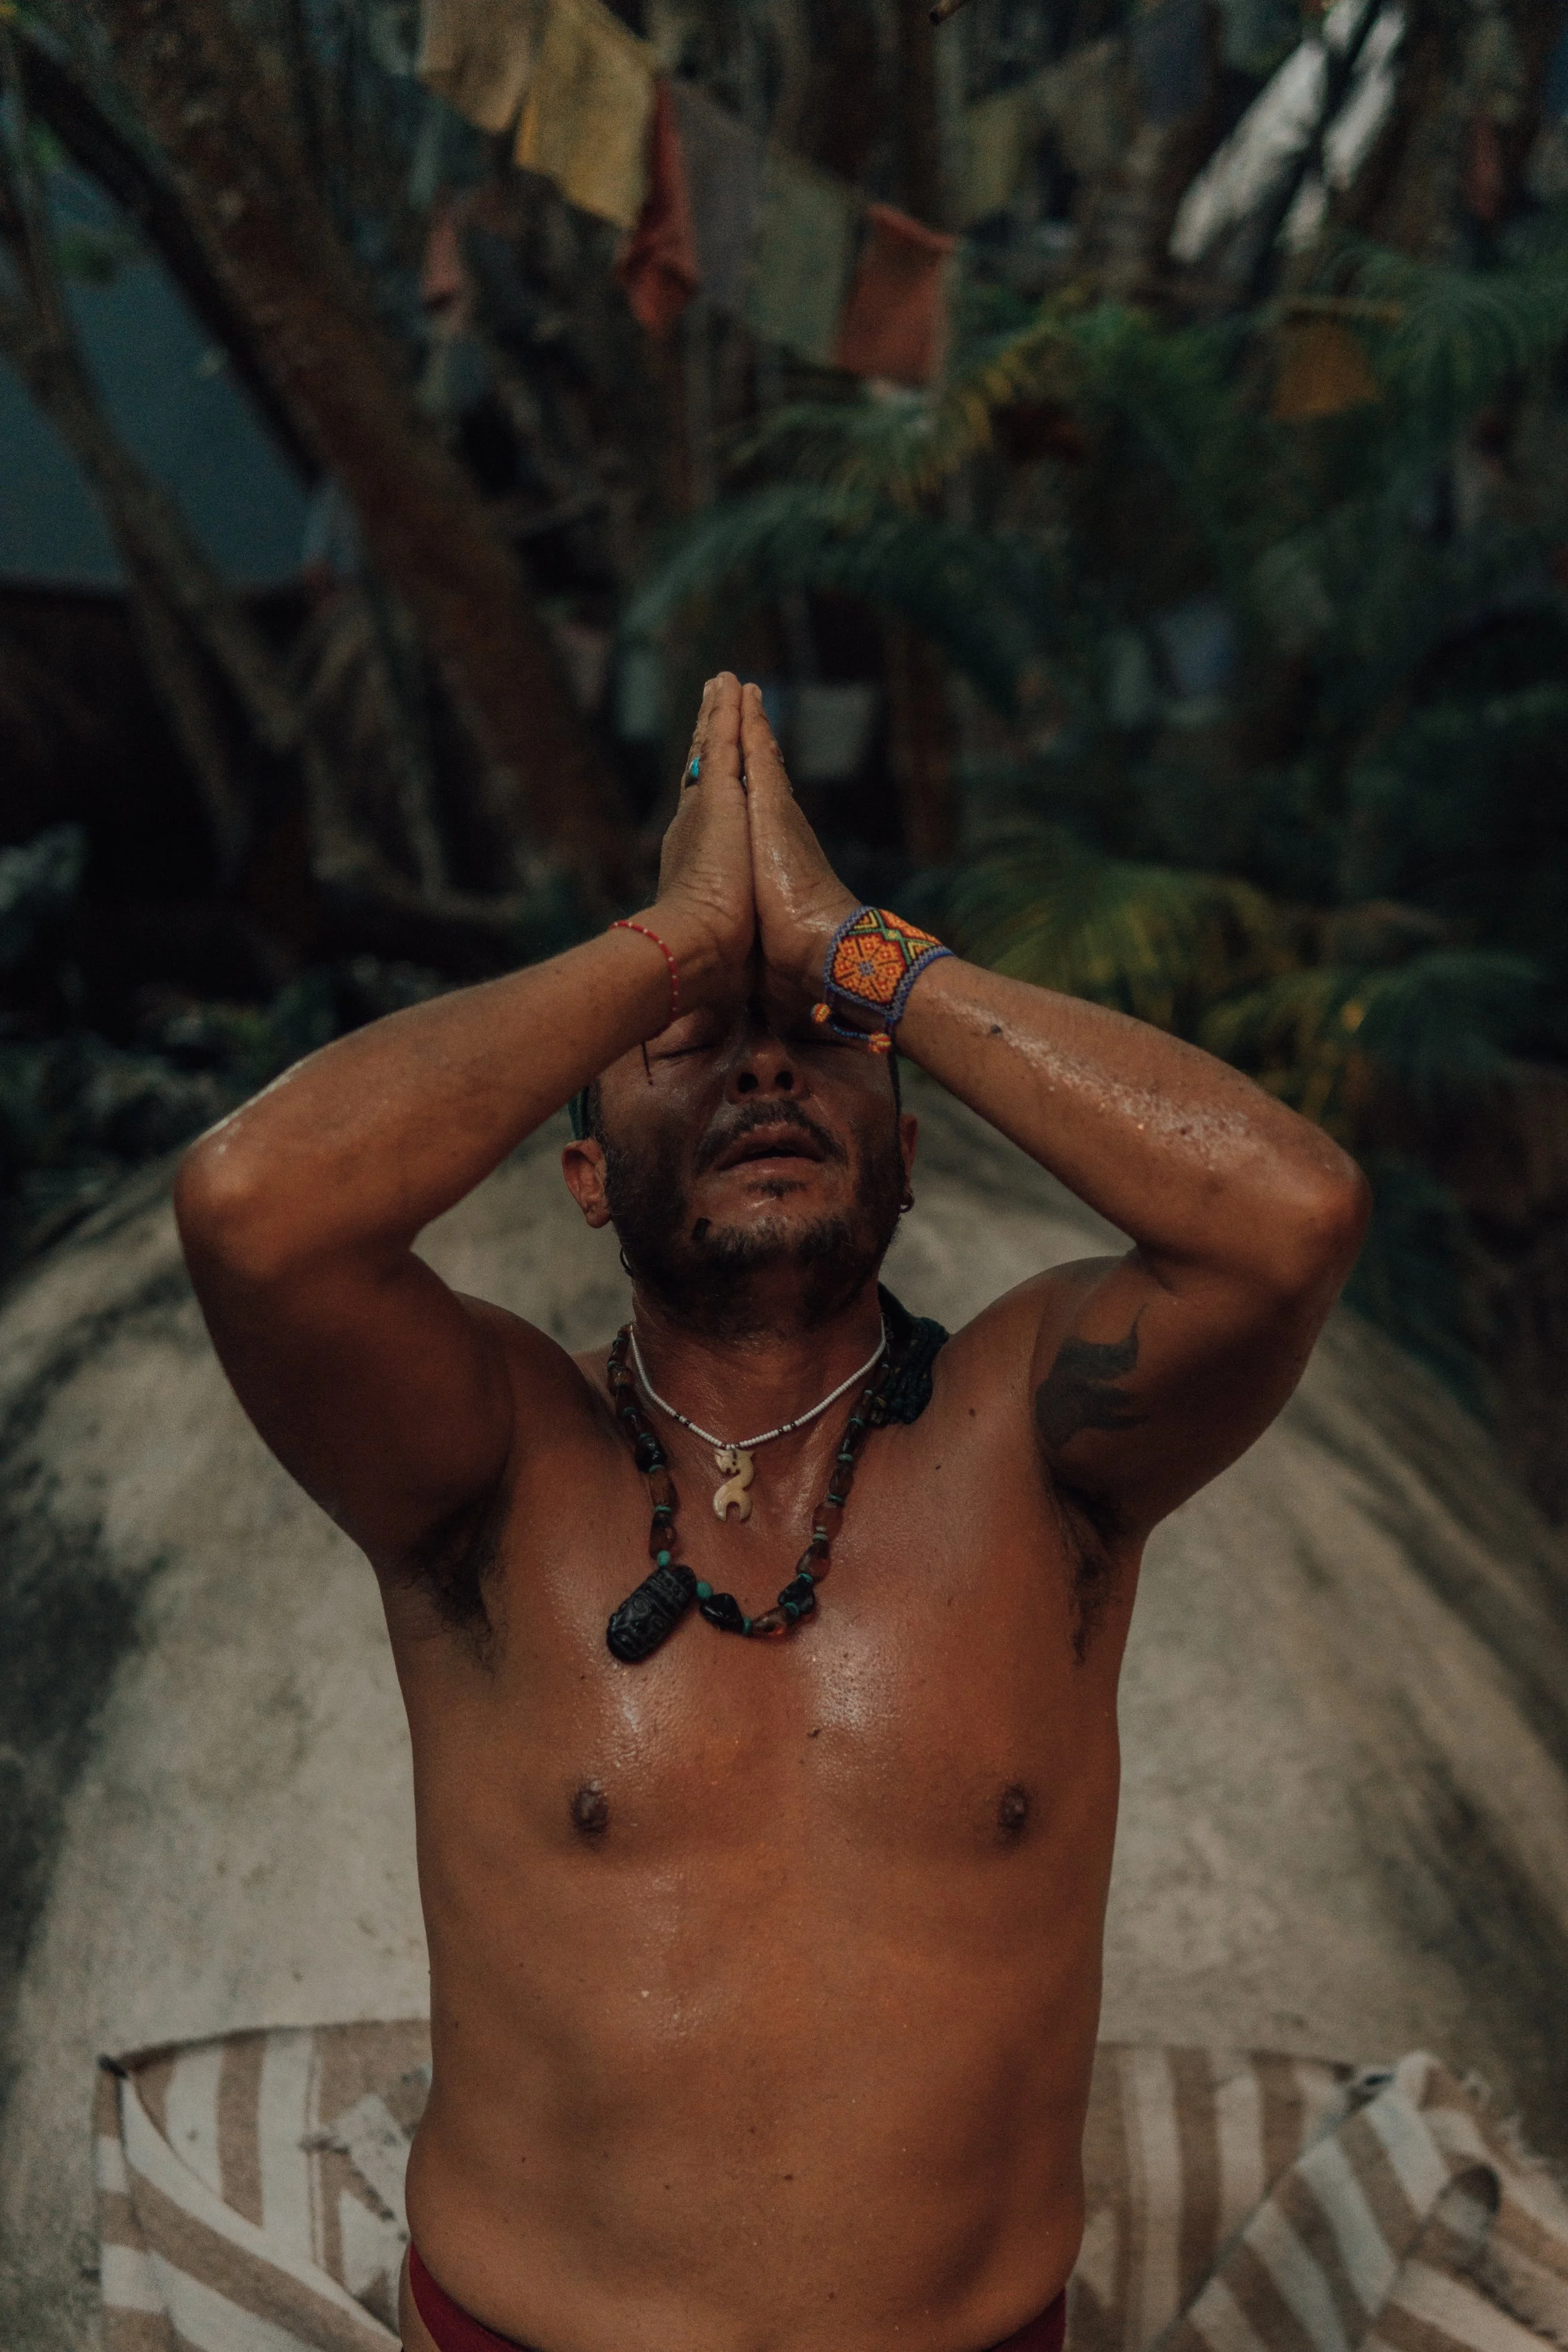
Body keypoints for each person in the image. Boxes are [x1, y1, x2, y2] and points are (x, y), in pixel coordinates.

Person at [175, 674, 1368, 2352]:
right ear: (584, 1171)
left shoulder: (1042, 1435)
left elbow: (1291, 1212)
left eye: (816, 1043)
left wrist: (844, 948)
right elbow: (250, 1208)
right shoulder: (487, 1458)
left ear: (905, 1143)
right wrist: (677, 939)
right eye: (687, 1047)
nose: (764, 1067)